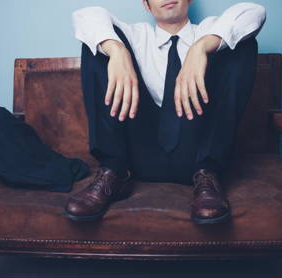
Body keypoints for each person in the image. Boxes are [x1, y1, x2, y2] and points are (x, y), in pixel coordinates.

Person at [63, 0, 266, 224]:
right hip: (136, 154)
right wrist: (116, 51)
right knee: (98, 42)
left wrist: (200, 48)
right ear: (147, 5)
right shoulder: (135, 35)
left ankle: (208, 173)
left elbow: (254, 11)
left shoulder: (208, 29)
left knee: (240, 41)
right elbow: (87, 15)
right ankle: (113, 171)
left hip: (196, 152)